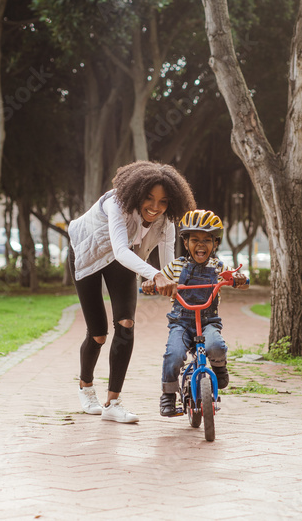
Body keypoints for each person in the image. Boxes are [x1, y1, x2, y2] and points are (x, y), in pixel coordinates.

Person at [69, 161, 196, 423]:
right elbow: (120, 249)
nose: (155, 207)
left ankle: (113, 403)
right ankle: (85, 386)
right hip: (88, 254)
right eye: (149, 199)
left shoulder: (166, 222)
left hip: (123, 261)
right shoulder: (116, 204)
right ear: (136, 193)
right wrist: (154, 275)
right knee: (98, 334)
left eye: (163, 202)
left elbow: (168, 262)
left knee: (126, 324)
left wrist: (169, 280)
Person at [141, 209, 249, 417]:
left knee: (216, 346)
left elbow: (236, 280)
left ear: (215, 243)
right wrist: (151, 283)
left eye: (207, 240)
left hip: (208, 322)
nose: (201, 245)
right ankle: (169, 395)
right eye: (195, 239)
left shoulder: (218, 267)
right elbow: (159, 279)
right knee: (173, 355)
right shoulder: (177, 266)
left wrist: (239, 280)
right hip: (181, 322)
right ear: (186, 242)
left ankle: (218, 368)